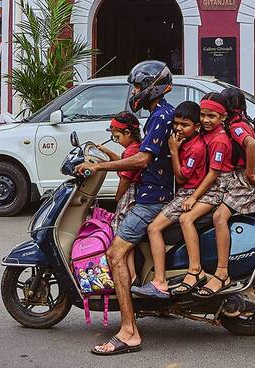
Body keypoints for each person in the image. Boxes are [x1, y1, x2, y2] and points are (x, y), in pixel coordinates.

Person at [76, 60, 175, 357]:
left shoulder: (161, 116)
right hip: (151, 194)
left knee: (115, 253)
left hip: (151, 199)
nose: (134, 92)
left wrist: (101, 166)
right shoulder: (161, 114)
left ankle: (129, 332)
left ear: (150, 87)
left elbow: (142, 160)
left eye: (137, 86)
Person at [132, 100, 207, 298]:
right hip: (183, 192)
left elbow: (181, 177)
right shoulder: (187, 141)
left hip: (188, 193)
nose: (179, 129)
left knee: (153, 228)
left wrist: (173, 150)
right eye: (176, 124)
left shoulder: (194, 148)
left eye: (185, 125)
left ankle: (159, 282)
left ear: (197, 127)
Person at [196, 85, 255, 296]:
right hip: (237, 178)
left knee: (219, 217)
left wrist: (250, 174)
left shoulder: (236, 126)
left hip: (244, 182)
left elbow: (251, 145)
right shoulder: (240, 121)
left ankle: (222, 273)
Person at [173, 93, 234, 296]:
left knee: (186, 218)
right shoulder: (206, 134)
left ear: (223, 117)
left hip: (218, 186)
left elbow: (213, 174)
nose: (206, 120)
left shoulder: (219, 141)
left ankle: (198, 270)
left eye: (212, 117)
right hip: (207, 184)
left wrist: (193, 197)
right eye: (203, 115)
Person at [98, 111, 142, 283]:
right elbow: (120, 162)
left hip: (129, 192)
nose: (116, 140)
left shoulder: (133, 151)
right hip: (132, 190)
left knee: (122, 235)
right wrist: (105, 151)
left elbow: (125, 179)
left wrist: (117, 198)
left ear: (128, 133)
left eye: (117, 137)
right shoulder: (133, 149)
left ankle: (131, 275)